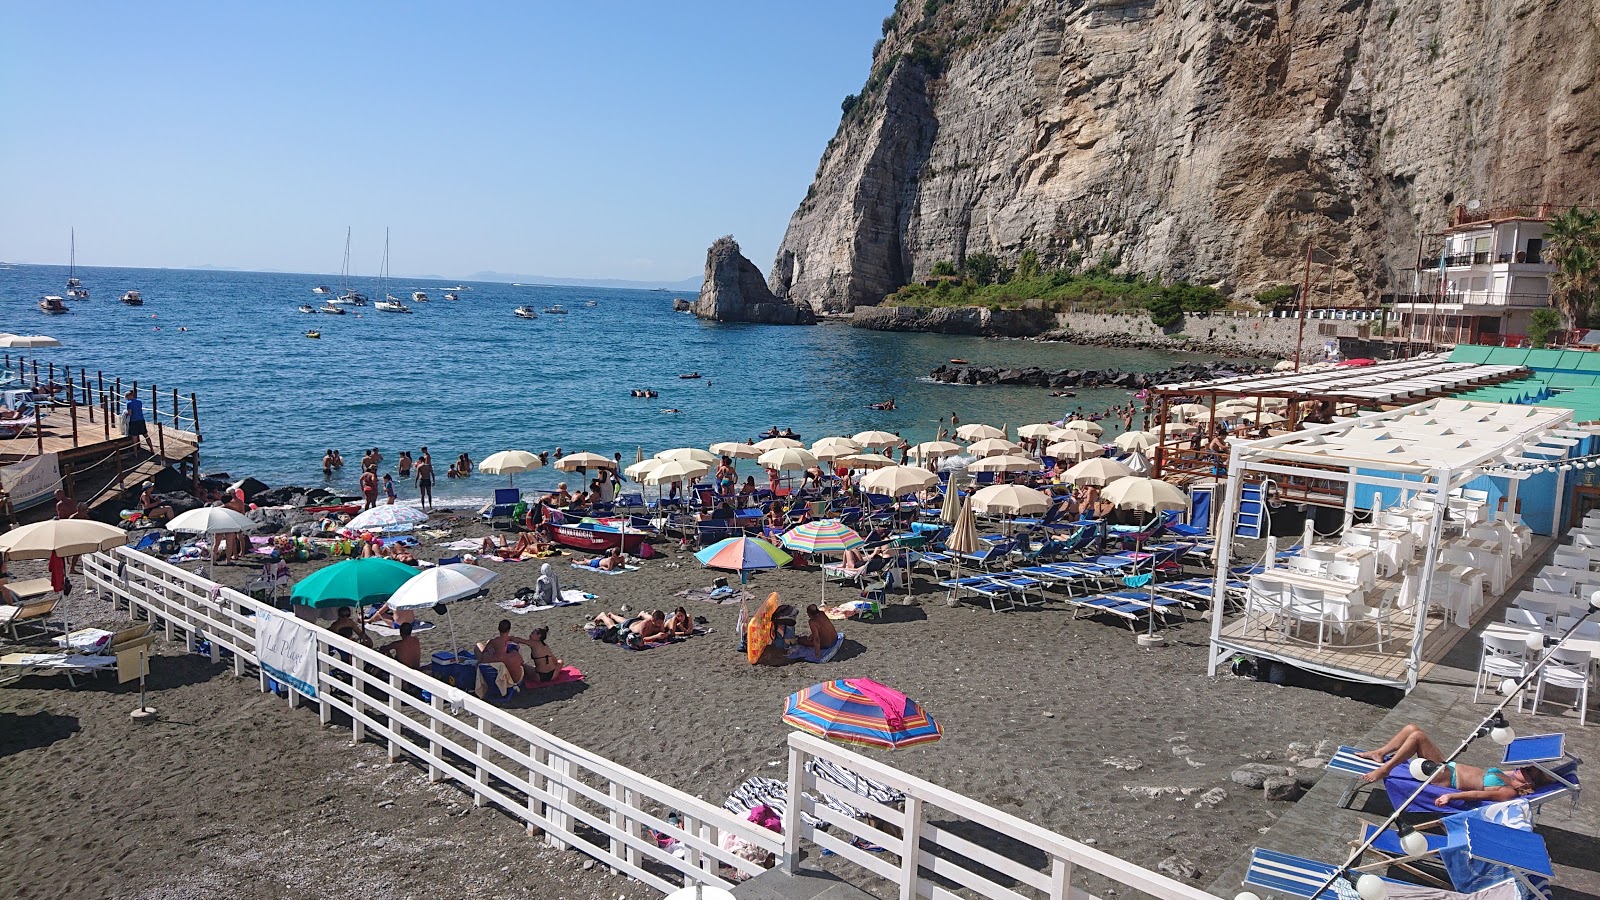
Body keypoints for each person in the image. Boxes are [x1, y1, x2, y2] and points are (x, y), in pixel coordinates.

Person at [1356, 724, 1551, 805]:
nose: (1522, 768)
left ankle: (1384, 770)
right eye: (1525, 766)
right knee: (1412, 728)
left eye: (1527, 770)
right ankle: (1380, 753)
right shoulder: (1509, 776)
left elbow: (1478, 795)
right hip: (1447, 767)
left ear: (1528, 784)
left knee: (1417, 737)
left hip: (1445, 779)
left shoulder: (1508, 791)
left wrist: (1450, 795)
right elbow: (1520, 758)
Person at [479, 619, 527, 683]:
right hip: (513, 680)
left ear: (498, 628)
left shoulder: (490, 651)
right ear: (509, 630)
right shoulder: (514, 651)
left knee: (479, 645)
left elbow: (483, 655)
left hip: (495, 678)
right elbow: (521, 663)